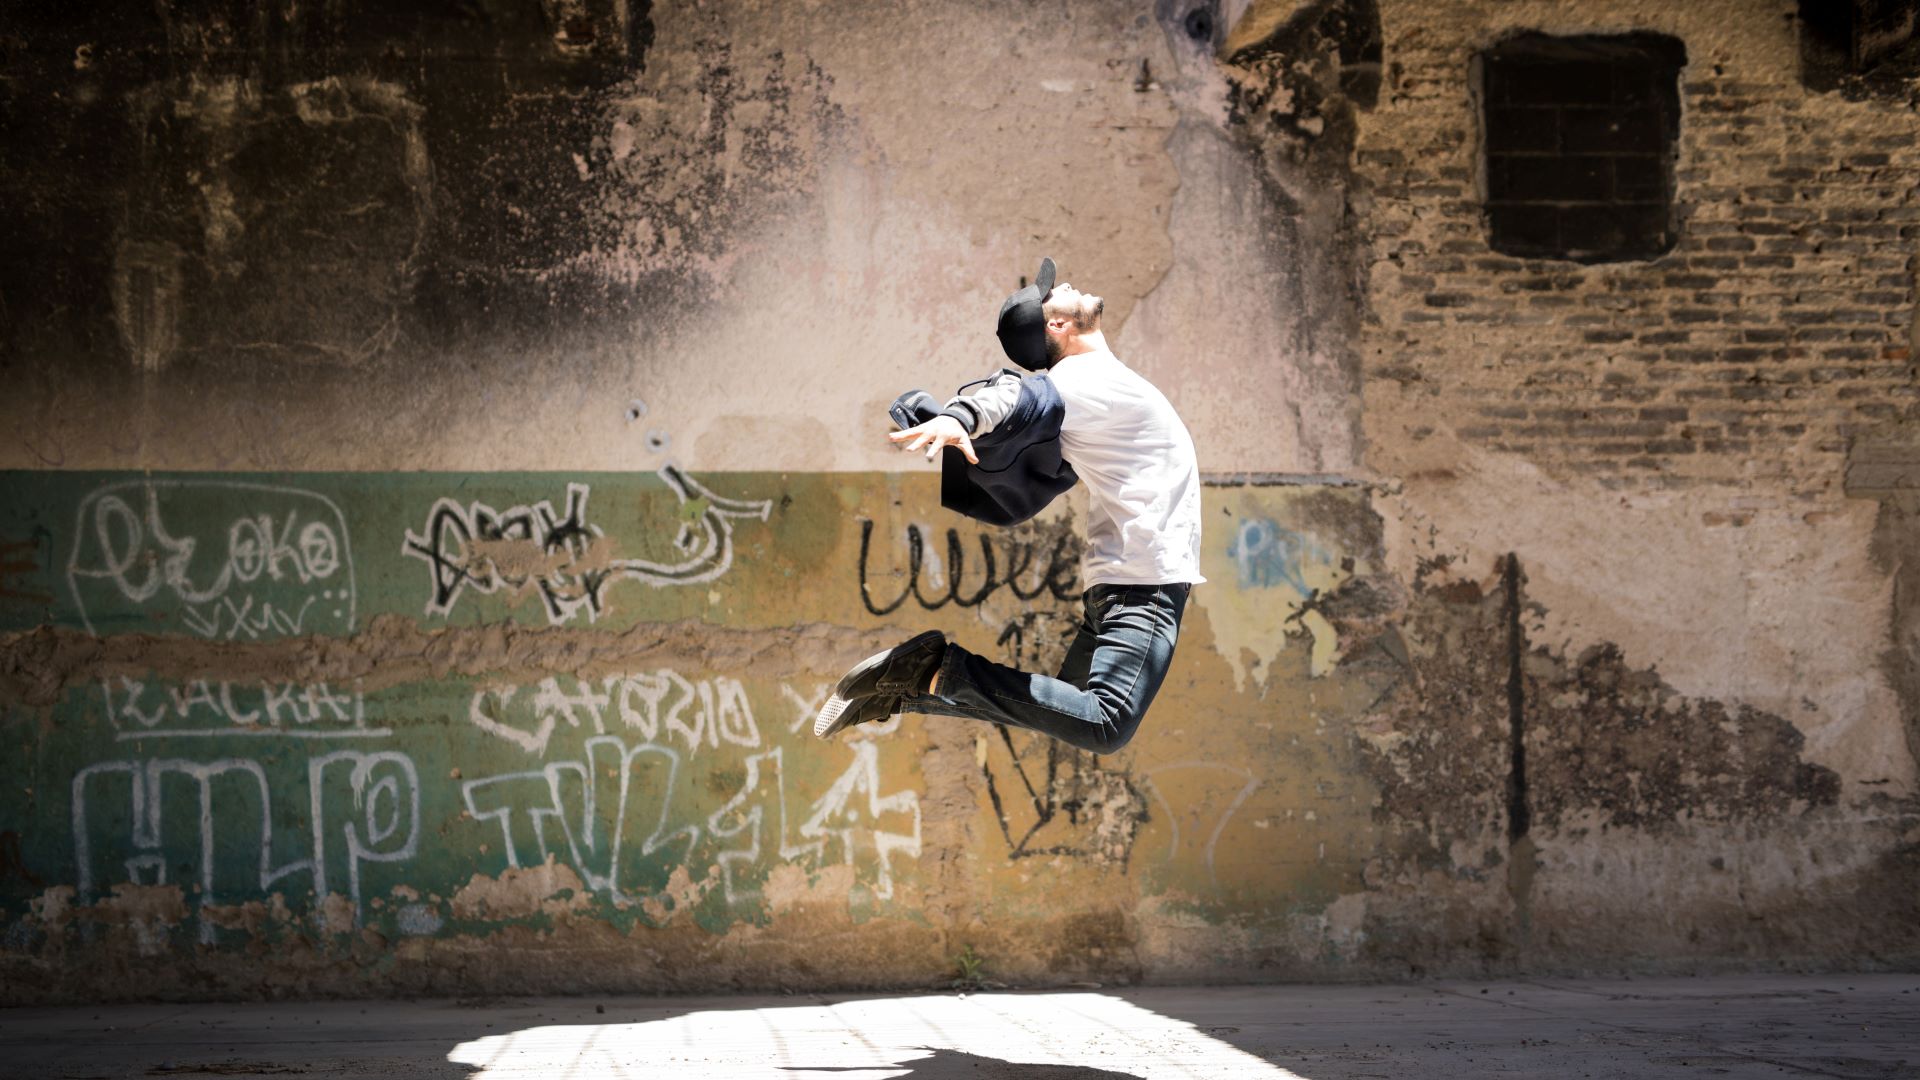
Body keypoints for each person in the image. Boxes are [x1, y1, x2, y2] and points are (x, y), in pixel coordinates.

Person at [814, 257, 1204, 754]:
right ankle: (935, 671)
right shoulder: (1080, 381)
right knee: (1105, 724)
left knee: (1060, 709)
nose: (1064, 282)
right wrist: (961, 417)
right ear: (1057, 324)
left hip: (1124, 576)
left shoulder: (1096, 380)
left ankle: (903, 689)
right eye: (1052, 292)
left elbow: (1029, 400)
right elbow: (1016, 397)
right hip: (1144, 581)